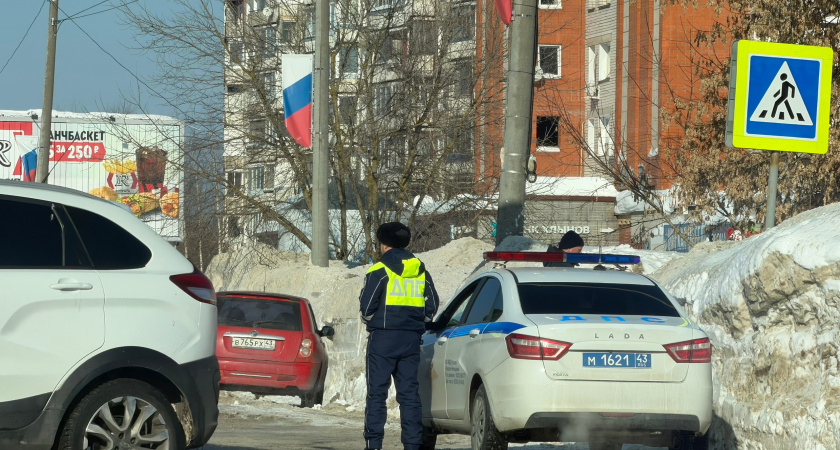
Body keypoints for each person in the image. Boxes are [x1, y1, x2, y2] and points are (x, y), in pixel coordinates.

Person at [359, 222, 440, 450]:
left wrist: (374, 322)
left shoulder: (379, 270)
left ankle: (373, 445)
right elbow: (432, 305)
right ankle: (412, 445)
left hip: (383, 339)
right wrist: (416, 324)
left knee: (377, 394)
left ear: (384, 245)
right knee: (409, 395)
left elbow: (367, 309)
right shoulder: (421, 271)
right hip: (411, 340)